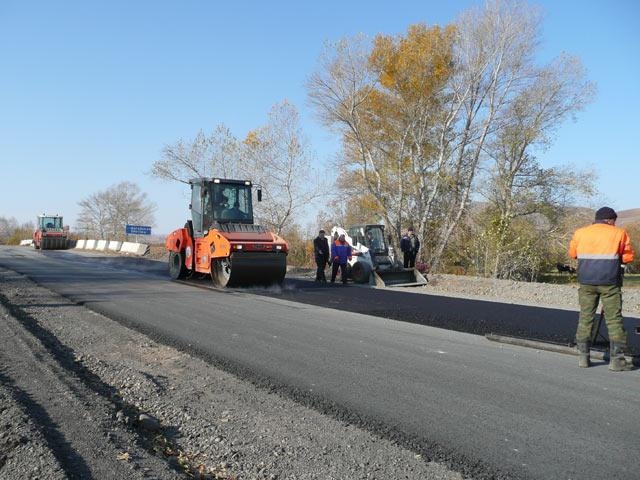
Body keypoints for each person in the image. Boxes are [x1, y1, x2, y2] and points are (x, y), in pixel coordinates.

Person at [568, 206, 635, 371]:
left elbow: (573, 254)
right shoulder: (619, 233)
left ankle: (583, 358)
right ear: (610, 220)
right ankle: (617, 361)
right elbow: (628, 257)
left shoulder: (580, 232)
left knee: (585, 318)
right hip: (610, 283)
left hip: (586, 282)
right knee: (614, 321)